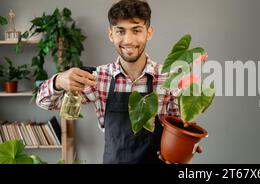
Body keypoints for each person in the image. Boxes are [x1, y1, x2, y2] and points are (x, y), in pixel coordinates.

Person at [36, 0, 202, 164]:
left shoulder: (168, 78)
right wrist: (58, 80)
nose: (128, 40)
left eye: (136, 30)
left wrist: (185, 148)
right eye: (120, 31)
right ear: (111, 34)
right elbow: (44, 102)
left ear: (149, 33)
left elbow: (179, 129)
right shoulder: (98, 78)